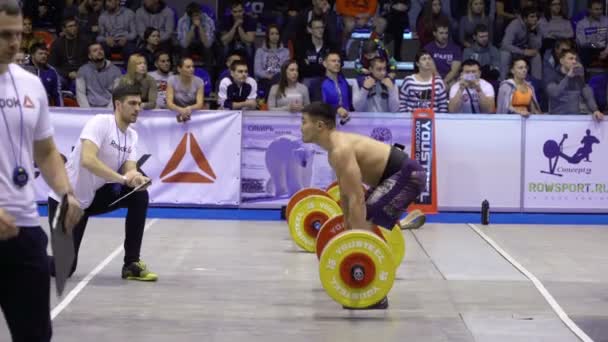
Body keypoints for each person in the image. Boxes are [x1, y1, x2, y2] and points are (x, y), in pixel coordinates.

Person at [0, 1, 82, 341]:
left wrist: (66, 192)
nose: (15, 43)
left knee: (35, 334)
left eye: (19, 34)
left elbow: (46, 149)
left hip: (24, 228)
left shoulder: (31, 85)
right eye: (5, 35)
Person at [300, 102, 426, 310]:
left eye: (304, 122)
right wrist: (348, 230)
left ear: (320, 125)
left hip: (409, 176)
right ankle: (396, 224)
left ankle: (377, 295)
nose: (301, 127)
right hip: (392, 177)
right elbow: (346, 195)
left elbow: (357, 198)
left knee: (366, 219)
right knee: (363, 219)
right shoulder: (334, 151)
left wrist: (356, 244)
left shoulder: (340, 149)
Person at [47, 84, 158, 282]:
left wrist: (136, 178)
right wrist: (123, 179)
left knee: (139, 194)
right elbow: (88, 160)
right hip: (67, 201)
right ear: (118, 104)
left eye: (139, 104)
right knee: (63, 268)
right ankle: (17, 258)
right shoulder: (100, 123)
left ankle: (131, 264)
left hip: (93, 198)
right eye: (132, 103)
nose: (138, 108)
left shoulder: (132, 135)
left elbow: (129, 169)